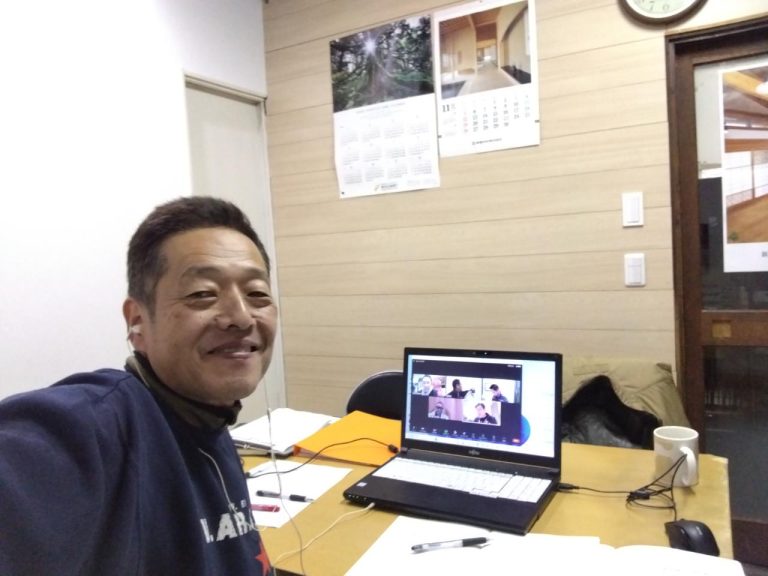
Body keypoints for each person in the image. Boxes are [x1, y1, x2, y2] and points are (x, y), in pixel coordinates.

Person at [0, 197, 276, 575]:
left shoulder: (207, 418)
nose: (241, 317)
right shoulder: (95, 427)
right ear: (138, 322)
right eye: (202, 294)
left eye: (257, 293)